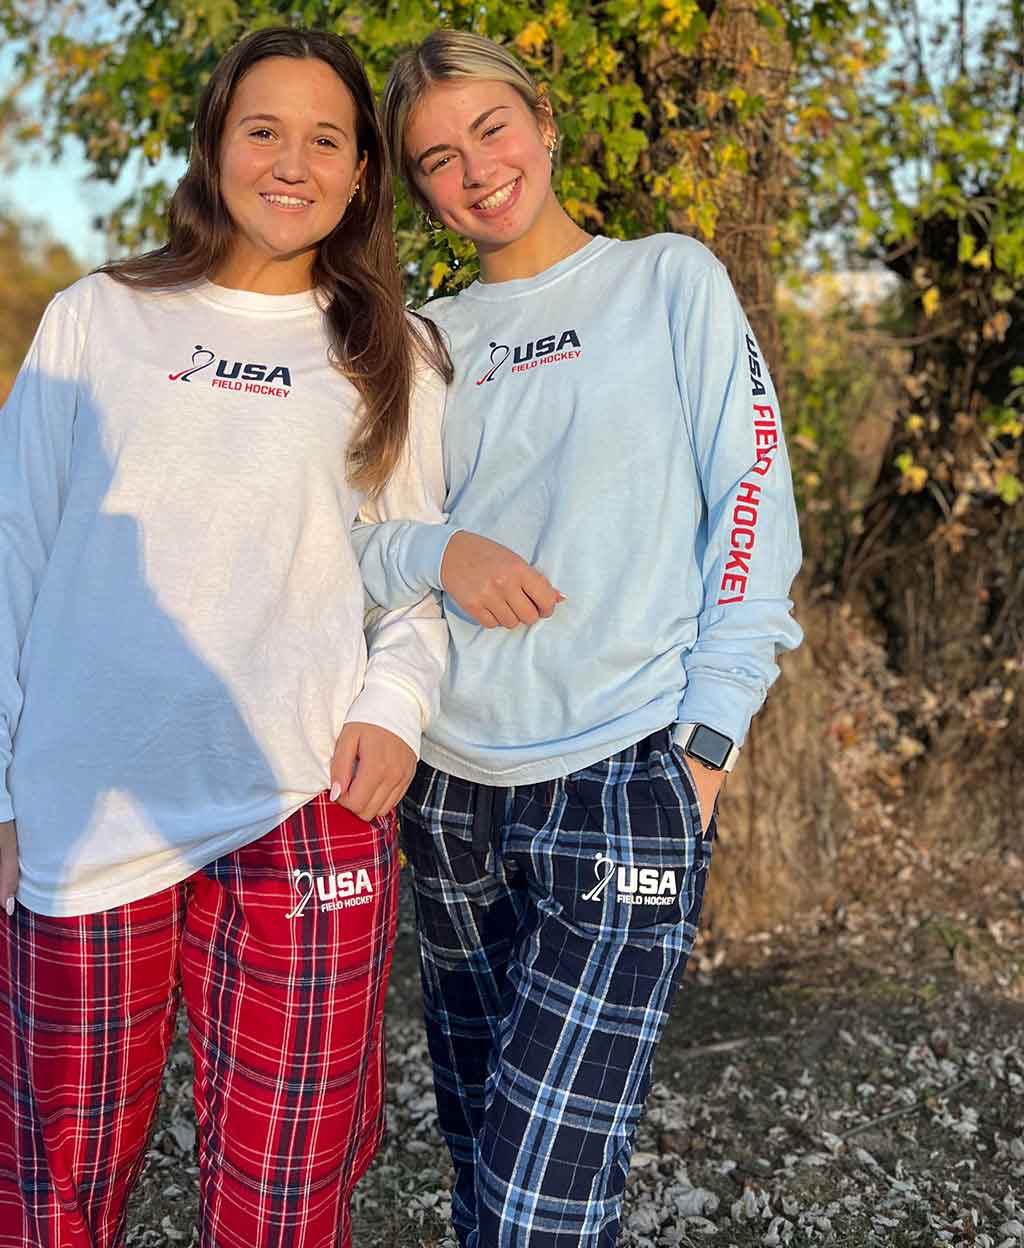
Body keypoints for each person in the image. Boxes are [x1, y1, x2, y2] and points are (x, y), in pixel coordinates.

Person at [0, 28, 455, 1248]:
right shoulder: (99, 318)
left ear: (363, 174)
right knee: (52, 1182)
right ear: (215, 146)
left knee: (287, 1186)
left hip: (304, 799)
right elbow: (4, 551)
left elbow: (413, 573)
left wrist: (396, 705)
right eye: (262, 130)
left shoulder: (396, 354)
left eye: (326, 139)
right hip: (88, 807)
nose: (291, 162)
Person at [351, 29, 805, 1246]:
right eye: (437, 158)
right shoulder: (426, 341)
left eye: (491, 128)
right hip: (452, 791)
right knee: (481, 1154)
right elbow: (347, 545)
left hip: (626, 776)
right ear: (419, 189)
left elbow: (752, 507)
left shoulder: (668, 281)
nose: (477, 169)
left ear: (544, 123)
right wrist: (440, 552)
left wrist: (706, 746)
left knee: (536, 1197)